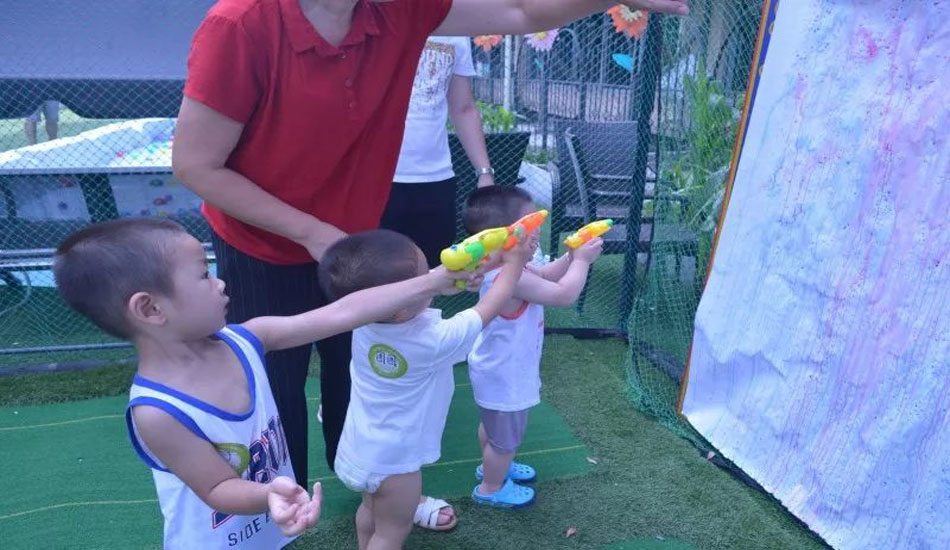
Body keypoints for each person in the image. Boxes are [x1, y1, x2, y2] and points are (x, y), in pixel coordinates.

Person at [171, 0, 689, 531]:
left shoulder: (401, 9)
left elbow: (521, 11)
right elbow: (194, 163)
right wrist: (311, 231)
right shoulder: (240, 25)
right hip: (262, 245)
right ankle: (277, 511)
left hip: (356, 243)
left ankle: (382, 488)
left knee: (359, 377)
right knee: (272, 391)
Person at [51, 217, 472, 549]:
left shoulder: (248, 339)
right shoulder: (158, 413)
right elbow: (217, 486)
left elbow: (344, 313)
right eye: (203, 275)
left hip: (271, 522)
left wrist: (431, 282)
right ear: (150, 308)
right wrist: (267, 495)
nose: (220, 282)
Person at [318, 229, 532, 549]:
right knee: (391, 532)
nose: (432, 275)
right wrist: (513, 263)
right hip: (395, 465)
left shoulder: (363, 322)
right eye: (424, 275)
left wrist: (488, 262)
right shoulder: (432, 341)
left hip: (358, 448)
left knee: (370, 511)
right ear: (402, 307)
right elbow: (491, 305)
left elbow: (432, 281)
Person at [461, 186, 603, 507]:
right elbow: (563, 294)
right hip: (505, 375)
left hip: (495, 370)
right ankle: (491, 487)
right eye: (532, 223)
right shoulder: (510, 278)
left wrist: (570, 256)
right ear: (507, 236)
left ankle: (494, 466)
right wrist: (582, 262)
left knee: (494, 430)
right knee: (505, 441)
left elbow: (546, 275)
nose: (539, 229)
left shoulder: (507, 267)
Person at [381, 35, 493, 268]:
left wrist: (484, 173)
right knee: (376, 273)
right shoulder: (375, 21)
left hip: (436, 179)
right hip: (377, 179)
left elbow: (463, 108)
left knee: (431, 269)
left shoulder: (457, 32)